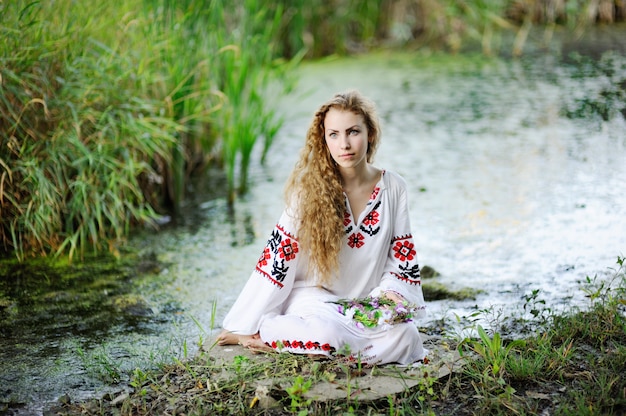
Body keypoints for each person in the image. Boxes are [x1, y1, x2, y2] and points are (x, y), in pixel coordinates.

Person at [217, 90, 427, 366]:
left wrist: (388, 296)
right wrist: (245, 322)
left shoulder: (394, 187)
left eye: (353, 132)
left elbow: (401, 259)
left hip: (365, 303)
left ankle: (332, 348)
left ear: (370, 134)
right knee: (328, 335)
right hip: (314, 301)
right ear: (324, 140)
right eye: (334, 135)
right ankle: (265, 331)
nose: (345, 144)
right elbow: (278, 257)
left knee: (408, 336)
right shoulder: (309, 190)